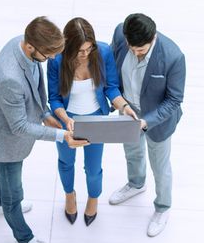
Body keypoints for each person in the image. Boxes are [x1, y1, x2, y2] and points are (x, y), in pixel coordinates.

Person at [0, 17, 88, 243]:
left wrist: (46, 114)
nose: (52, 59)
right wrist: (62, 136)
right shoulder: (9, 77)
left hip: (0, 133)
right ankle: (24, 240)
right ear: (31, 47)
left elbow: (37, 83)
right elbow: (20, 126)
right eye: (48, 55)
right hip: (5, 138)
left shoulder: (21, 44)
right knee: (13, 195)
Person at [47, 17, 137, 226]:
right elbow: (54, 98)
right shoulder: (56, 60)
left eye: (89, 49)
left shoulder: (103, 53)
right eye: (80, 51)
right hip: (67, 120)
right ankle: (70, 195)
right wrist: (64, 118)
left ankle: (93, 197)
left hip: (96, 120)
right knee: (66, 162)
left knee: (93, 167)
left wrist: (124, 106)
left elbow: (111, 88)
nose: (86, 54)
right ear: (68, 46)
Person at [109, 13, 186, 237]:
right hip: (127, 110)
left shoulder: (173, 56)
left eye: (140, 50)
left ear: (152, 38)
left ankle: (162, 207)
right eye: (132, 48)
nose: (135, 53)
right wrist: (120, 104)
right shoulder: (119, 33)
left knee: (160, 166)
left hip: (157, 120)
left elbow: (174, 99)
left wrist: (147, 121)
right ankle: (135, 184)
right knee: (131, 152)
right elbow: (113, 69)